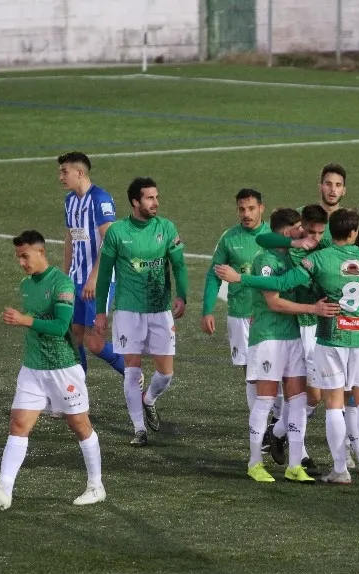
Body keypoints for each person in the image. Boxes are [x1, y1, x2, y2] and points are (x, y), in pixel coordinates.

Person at [218, 209, 359, 485]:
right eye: (305, 230)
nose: (310, 236)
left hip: (317, 336)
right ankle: (257, 462)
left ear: (328, 232)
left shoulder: (318, 258)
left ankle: (305, 464)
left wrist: (241, 278)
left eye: (316, 232)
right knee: (278, 399)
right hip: (285, 335)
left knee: (311, 401)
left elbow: (282, 283)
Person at [0, 230, 105, 510]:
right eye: (18, 257)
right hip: (32, 367)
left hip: (62, 368)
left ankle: (96, 485)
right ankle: (4, 488)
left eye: (25, 256)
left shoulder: (62, 284)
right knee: (18, 424)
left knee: (79, 425)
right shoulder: (26, 285)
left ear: (41, 252)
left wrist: (23, 321)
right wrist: (25, 320)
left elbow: (59, 327)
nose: (21, 262)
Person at [222, 208, 339, 483]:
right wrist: (313, 307)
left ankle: (294, 465)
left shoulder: (289, 257)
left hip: (291, 336)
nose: (303, 233)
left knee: (297, 400)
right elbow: (274, 302)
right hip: (268, 337)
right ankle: (254, 463)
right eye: (299, 228)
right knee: (265, 400)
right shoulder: (266, 260)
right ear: (288, 231)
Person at [94, 177, 188, 446]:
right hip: (128, 310)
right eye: (149, 198)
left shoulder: (166, 228)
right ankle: (139, 429)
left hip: (160, 308)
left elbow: (179, 265)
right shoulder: (117, 232)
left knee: (166, 372)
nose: (155, 202)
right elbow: (104, 275)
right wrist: (101, 311)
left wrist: (182, 295)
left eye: (156, 197)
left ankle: (149, 400)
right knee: (132, 369)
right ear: (135, 202)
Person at [56, 152, 128, 388]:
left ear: (80, 172)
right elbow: (70, 239)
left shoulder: (100, 199)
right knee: (73, 339)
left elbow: (109, 242)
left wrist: (94, 278)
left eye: (64, 172)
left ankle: (133, 375)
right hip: (76, 279)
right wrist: (65, 276)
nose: (60, 177)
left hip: (98, 281)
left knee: (95, 344)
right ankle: (76, 396)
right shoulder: (70, 200)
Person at [201, 188, 269, 412]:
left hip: (270, 314)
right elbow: (214, 274)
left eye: (251, 208)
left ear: (261, 208)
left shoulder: (273, 236)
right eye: (242, 209)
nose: (246, 214)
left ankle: (276, 424)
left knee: (273, 372)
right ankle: (258, 426)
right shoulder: (230, 238)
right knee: (250, 373)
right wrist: (208, 311)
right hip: (240, 314)